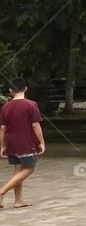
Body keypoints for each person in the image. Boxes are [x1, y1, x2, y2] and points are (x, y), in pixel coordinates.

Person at [0, 78, 45, 209]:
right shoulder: (31, 105)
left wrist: (2, 145)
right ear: (26, 88)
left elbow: (2, 128)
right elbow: (35, 125)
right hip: (26, 142)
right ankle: (2, 191)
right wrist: (42, 142)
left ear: (10, 90)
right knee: (29, 168)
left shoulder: (6, 106)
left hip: (11, 142)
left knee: (18, 170)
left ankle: (18, 200)